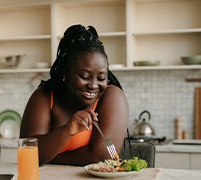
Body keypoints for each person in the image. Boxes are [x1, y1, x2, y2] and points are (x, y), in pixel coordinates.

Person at [20, 24, 128, 166]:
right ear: (65, 73)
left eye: (101, 78)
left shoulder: (112, 96)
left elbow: (103, 157)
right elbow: (28, 152)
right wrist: (66, 131)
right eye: (84, 76)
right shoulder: (45, 96)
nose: (94, 85)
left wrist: (52, 157)